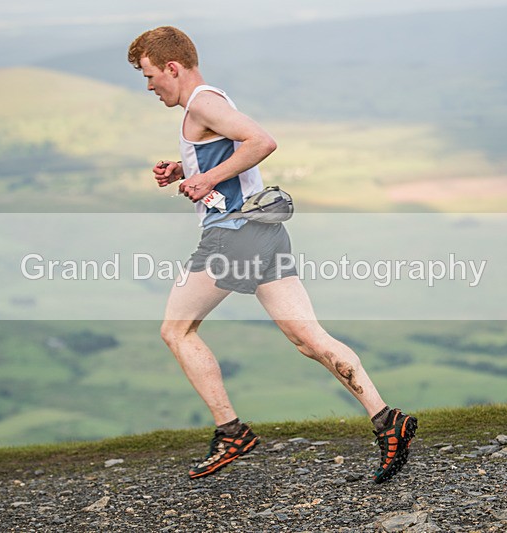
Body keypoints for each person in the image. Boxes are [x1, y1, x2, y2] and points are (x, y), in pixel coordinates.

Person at [127, 26, 416, 483]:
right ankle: (388, 422)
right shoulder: (209, 102)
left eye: (148, 76)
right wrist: (187, 168)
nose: (148, 86)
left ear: (172, 68)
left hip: (233, 235)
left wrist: (204, 180)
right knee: (308, 340)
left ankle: (231, 431)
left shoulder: (202, 102)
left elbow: (262, 141)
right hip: (264, 232)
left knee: (176, 331)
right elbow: (231, 152)